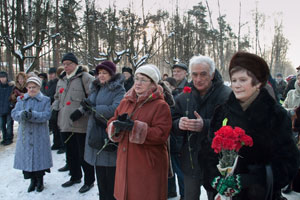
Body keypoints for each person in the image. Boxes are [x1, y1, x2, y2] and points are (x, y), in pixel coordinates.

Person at [208, 52, 300, 200]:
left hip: (261, 195)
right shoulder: (222, 112)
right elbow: (208, 151)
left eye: (242, 80)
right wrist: (214, 177)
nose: (236, 85)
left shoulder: (275, 115)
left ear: (258, 83)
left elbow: (288, 162)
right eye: (234, 80)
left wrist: (250, 179)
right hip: (226, 195)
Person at [107, 64, 172, 200]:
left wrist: (135, 128)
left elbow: (161, 134)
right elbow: (112, 120)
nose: (138, 83)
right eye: (136, 79)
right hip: (125, 162)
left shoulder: (160, 105)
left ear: (152, 83)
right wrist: (115, 126)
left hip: (147, 164)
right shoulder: (126, 101)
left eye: (143, 80)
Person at [172, 55, 231, 200]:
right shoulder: (184, 96)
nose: (198, 79)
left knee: (216, 196)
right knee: (190, 196)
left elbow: (232, 125)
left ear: (212, 74)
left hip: (218, 161)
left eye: (203, 74)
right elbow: (171, 119)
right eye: (195, 74)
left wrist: (205, 125)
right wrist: (178, 123)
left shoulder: (226, 95)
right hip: (191, 159)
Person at [52, 52, 95, 193]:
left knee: (83, 154)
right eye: (64, 64)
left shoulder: (86, 78)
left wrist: (81, 111)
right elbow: (57, 97)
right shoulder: (62, 79)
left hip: (80, 123)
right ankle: (75, 176)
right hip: (64, 123)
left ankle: (89, 181)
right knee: (70, 153)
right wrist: (55, 108)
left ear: (76, 64)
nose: (66, 67)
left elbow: (92, 98)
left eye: (68, 64)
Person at [83, 61, 125, 200]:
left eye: (104, 73)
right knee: (100, 174)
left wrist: (94, 109)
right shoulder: (96, 87)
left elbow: (117, 109)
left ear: (112, 74)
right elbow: (91, 103)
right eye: (99, 73)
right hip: (95, 134)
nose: (101, 76)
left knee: (111, 175)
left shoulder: (118, 89)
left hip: (108, 135)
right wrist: (85, 106)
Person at [11, 76, 52, 192]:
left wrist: (33, 115)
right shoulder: (22, 99)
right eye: (29, 87)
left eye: (34, 87)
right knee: (28, 159)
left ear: (39, 87)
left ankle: (40, 180)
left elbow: (46, 115)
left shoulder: (45, 100)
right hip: (25, 136)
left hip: (39, 135)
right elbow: (14, 113)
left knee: (39, 159)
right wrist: (22, 115)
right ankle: (32, 181)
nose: (31, 89)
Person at [164, 76, 185, 200]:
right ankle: (171, 191)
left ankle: (184, 194)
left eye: (168, 84)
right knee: (169, 168)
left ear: (172, 87)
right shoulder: (167, 99)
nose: (165, 86)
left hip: (176, 140)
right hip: (168, 141)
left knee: (179, 170)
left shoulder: (176, 100)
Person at [282, 71, 300, 194]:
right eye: (299, 77)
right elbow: (283, 107)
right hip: (291, 129)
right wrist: (291, 112)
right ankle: (288, 183)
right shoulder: (291, 93)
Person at [44, 67, 64, 152]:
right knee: (54, 125)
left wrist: (49, 98)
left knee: (60, 127)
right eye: (50, 74)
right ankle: (56, 143)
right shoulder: (49, 84)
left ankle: (63, 145)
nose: (51, 75)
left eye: (52, 74)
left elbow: (58, 95)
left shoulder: (58, 82)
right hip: (51, 106)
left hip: (58, 106)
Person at [0, 71, 14, 145]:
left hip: (9, 109)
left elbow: (13, 96)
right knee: (2, 125)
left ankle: (9, 138)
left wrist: (11, 104)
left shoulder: (11, 86)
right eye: (1, 77)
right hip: (1, 109)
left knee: (9, 125)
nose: (2, 79)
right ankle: (4, 138)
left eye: (3, 77)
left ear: (6, 78)